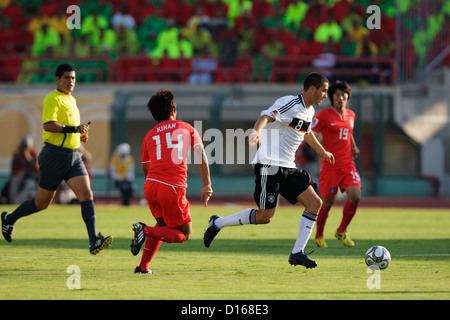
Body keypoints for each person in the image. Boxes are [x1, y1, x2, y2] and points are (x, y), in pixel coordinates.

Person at [203, 72, 334, 269]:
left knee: (315, 203)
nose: (326, 95)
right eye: (324, 91)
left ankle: (297, 253)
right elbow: (265, 116)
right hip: (269, 165)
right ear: (312, 89)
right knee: (265, 217)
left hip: (289, 167)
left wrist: (322, 151)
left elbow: (307, 133)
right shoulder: (289, 103)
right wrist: (256, 131)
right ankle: (218, 223)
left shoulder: (309, 112)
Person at [1, 64, 113, 255]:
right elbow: (48, 125)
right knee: (42, 203)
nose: (71, 81)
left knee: (87, 195)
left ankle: (93, 240)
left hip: (73, 156)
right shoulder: (52, 98)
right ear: (57, 79)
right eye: (67, 78)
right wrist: (73, 130)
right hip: (54, 155)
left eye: (73, 78)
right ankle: (9, 219)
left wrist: (81, 136)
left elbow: (73, 130)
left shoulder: (72, 100)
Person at [130, 88, 213, 274]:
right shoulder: (186, 128)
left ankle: (143, 268)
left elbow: (146, 169)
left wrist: (156, 187)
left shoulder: (148, 136)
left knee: (162, 226)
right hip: (172, 187)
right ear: (173, 110)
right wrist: (207, 184)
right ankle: (145, 230)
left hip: (150, 185)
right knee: (184, 233)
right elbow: (201, 155)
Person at [312, 81, 361, 248]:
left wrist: (353, 146)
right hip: (330, 165)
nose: (340, 98)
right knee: (327, 202)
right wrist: (320, 148)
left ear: (348, 96)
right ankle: (319, 235)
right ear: (332, 97)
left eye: (343, 94)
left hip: (348, 164)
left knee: (355, 195)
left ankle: (341, 230)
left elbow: (349, 132)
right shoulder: (323, 115)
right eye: (337, 95)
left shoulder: (351, 115)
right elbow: (311, 133)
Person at [8, 136, 39, 204]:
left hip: (32, 178)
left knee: (29, 184)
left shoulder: (34, 153)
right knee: (14, 180)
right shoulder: (18, 153)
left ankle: (17, 201)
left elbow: (34, 166)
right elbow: (14, 167)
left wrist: (27, 154)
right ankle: (11, 201)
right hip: (22, 176)